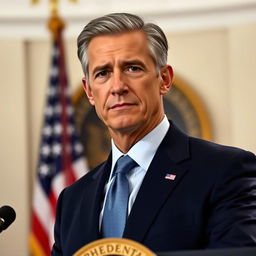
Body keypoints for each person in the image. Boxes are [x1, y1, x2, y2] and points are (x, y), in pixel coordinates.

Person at [51, 13, 256, 256]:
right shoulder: (72, 200)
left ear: (165, 79)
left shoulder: (226, 170)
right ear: (90, 91)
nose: (117, 86)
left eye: (132, 68)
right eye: (103, 73)